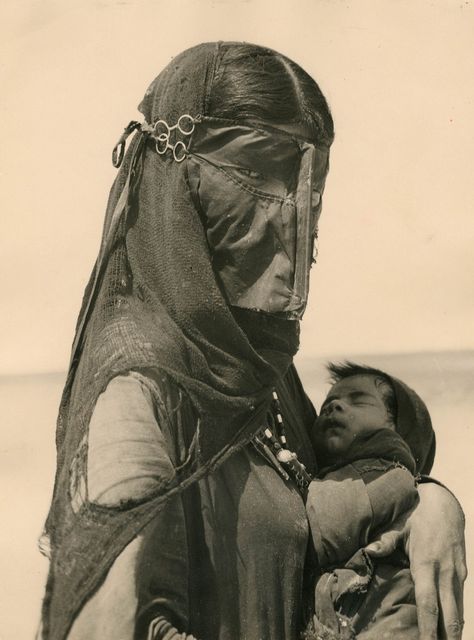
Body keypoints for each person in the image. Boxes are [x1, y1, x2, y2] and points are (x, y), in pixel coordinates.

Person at [38, 42, 466, 640]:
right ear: (187, 190)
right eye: (259, 183)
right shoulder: (139, 392)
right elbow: (114, 626)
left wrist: (431, 503)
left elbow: (325, 506)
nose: (290, 224)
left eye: (303, 193)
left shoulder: (259, 370)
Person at [304, 362, 436, 639]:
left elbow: (322, 531)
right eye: (329, 401)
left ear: (397, 428)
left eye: (358, 401)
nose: (335, 405)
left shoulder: (382, 474)